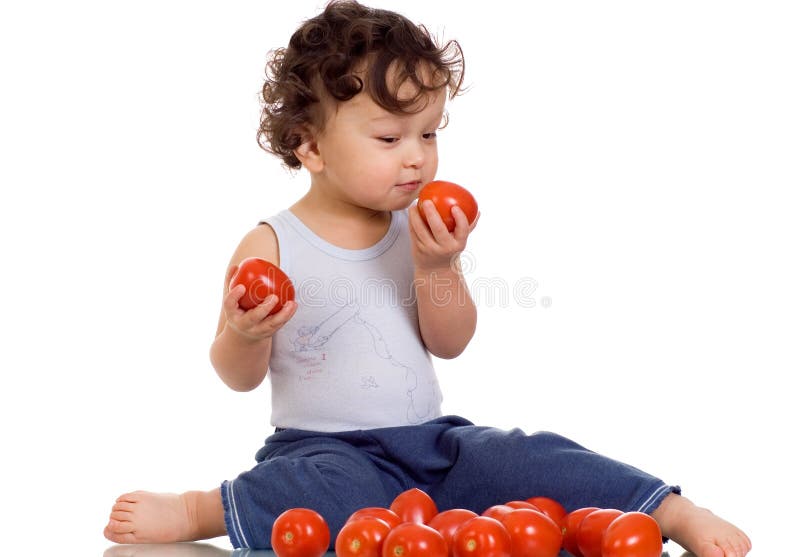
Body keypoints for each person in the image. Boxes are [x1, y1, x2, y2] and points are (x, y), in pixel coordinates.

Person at [104, 2, 751, 556]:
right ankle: (201, 511)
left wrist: (437, 266)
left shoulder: (415, 227)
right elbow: (237, 374)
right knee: (325, 492)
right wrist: (244, 331)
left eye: (429, 132)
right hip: (320, 449)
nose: (417, 155)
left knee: (525, 455)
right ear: (310, 147)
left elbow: (450, 341)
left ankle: (668, 511)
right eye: (390, 137)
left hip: (430, 441)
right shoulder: (273, 244)